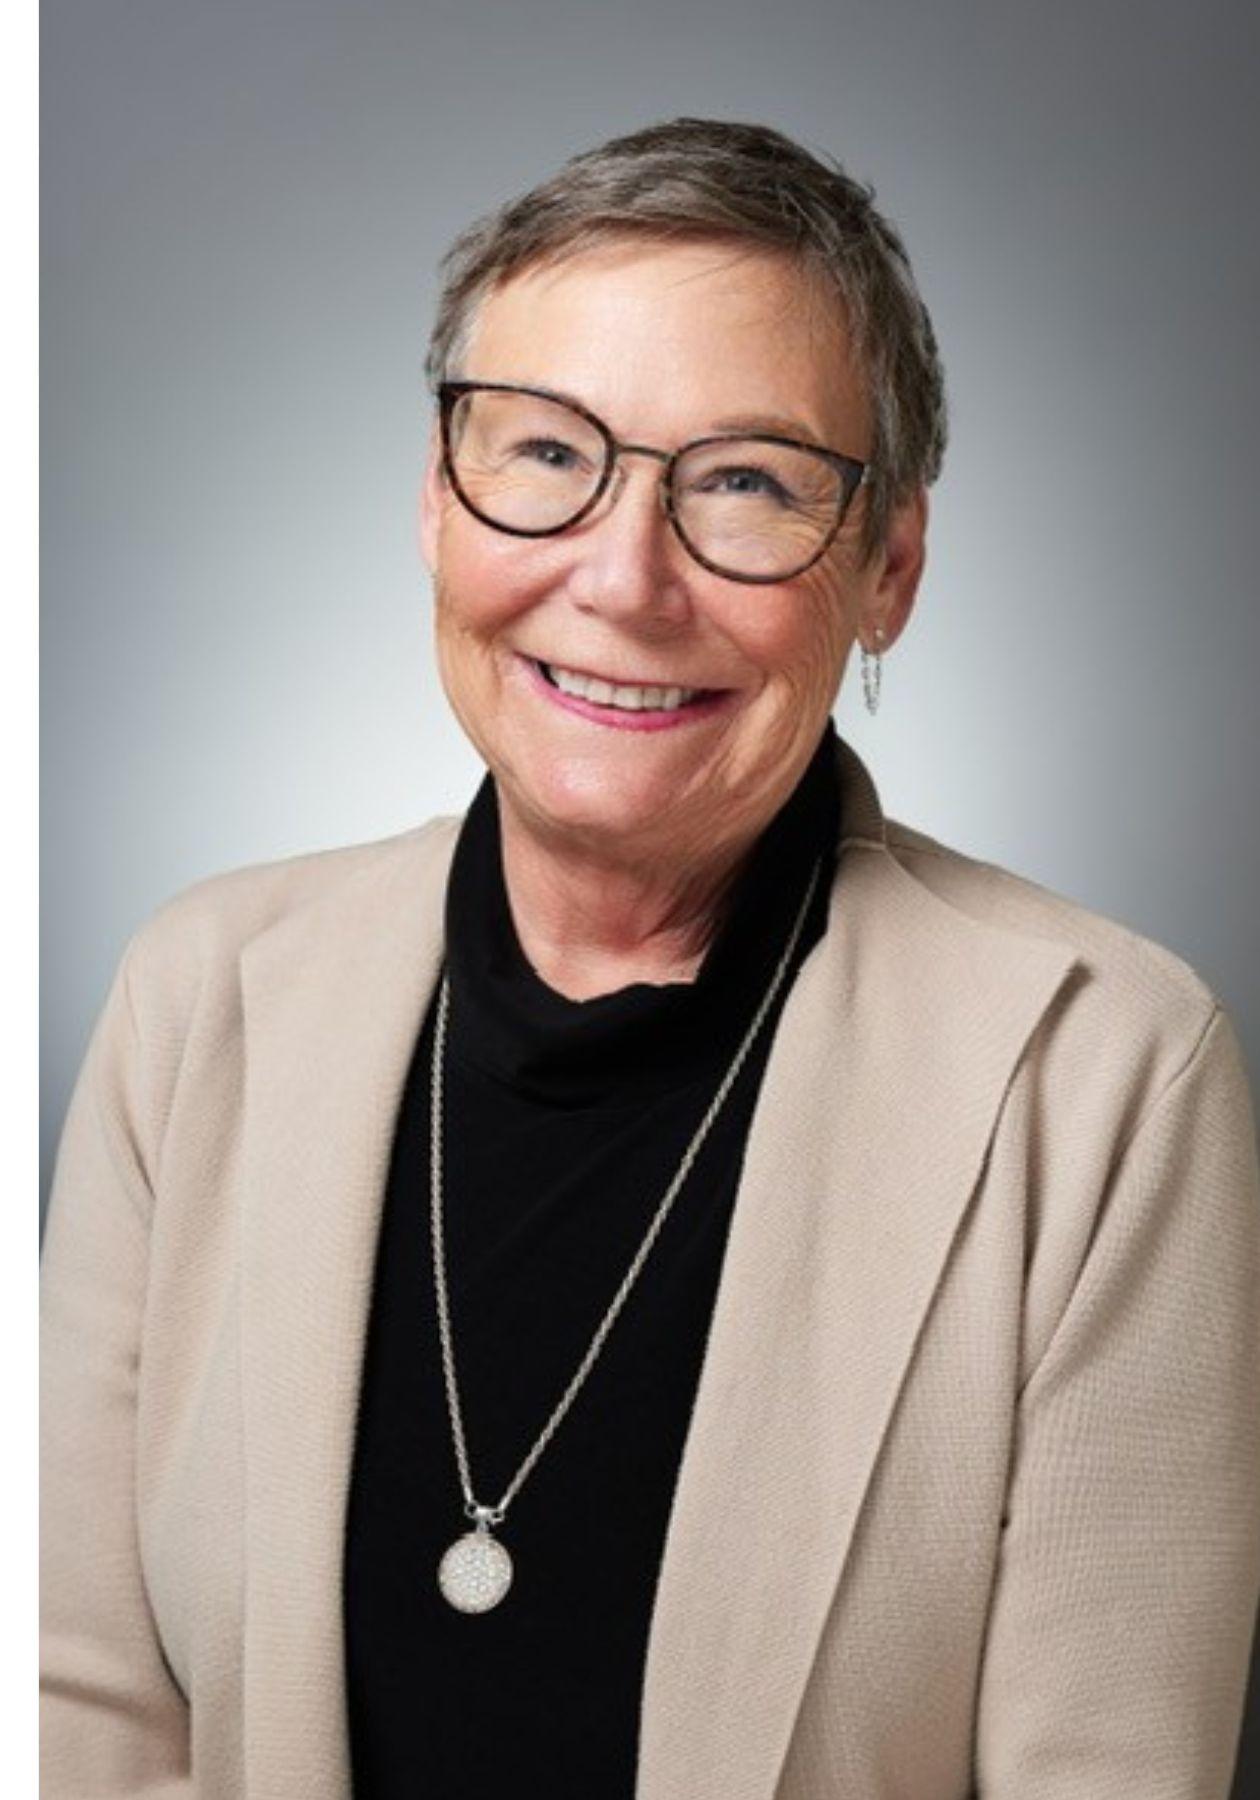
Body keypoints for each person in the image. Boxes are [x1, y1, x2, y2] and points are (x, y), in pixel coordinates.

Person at [40, 118, 1260, 1800]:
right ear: (436, 500)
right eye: (547, 453)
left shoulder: (1105, 1071)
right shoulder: (200, 1000)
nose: (623, 582)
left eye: (746, 481)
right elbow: (76, 1709)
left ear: (890, 568)